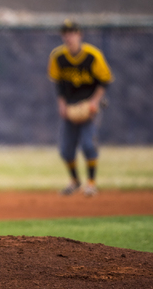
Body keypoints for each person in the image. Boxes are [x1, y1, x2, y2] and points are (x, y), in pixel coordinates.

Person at [48, 20, 113, 197]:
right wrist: (61, 105)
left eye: (72, 33)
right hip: (70, 107)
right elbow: (58, 84)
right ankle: (75, 181)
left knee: (88, 144)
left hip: (89, 107)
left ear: (79, 35)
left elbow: (105, 80)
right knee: (65, 149)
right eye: (66, 33)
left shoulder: (92, 55)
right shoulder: (58, 57)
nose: (69, 36)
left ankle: (91, 183)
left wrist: (94, 102)